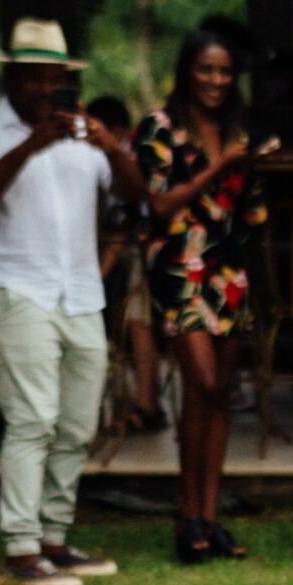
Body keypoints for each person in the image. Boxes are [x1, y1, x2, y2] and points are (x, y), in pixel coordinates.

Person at [0, 18, 144, 585]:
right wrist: (32, 144)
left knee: (78, 423)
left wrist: (111, 146)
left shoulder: (85, 139)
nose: (40, 88)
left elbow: (136, 196)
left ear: (63, 76)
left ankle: (55, 539)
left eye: (49, 76)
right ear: (11, 75)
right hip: (16, 289)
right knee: (32, 418)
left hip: (80, 292)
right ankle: (21, 547)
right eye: (30, 76)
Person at [135, 29, 266, 565]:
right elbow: (161, 205)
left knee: (219, 396)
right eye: (206, 69)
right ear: (188, 70)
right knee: (203, 382)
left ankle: (209, 519)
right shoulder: (158, 128)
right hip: (179, 267)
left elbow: (253, 212)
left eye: (225, 71)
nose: (215, 81)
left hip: (228, 269)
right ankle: (187, 515)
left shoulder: (239, 129)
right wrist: (221, 167)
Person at [90, 97, 164, 435]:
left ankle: (148, 405)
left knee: (138, 316)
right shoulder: (90, 159)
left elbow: (125, 227)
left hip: (138, 262)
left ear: (116, 130)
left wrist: (99, 278)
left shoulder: (126, 158)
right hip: (103, 265)